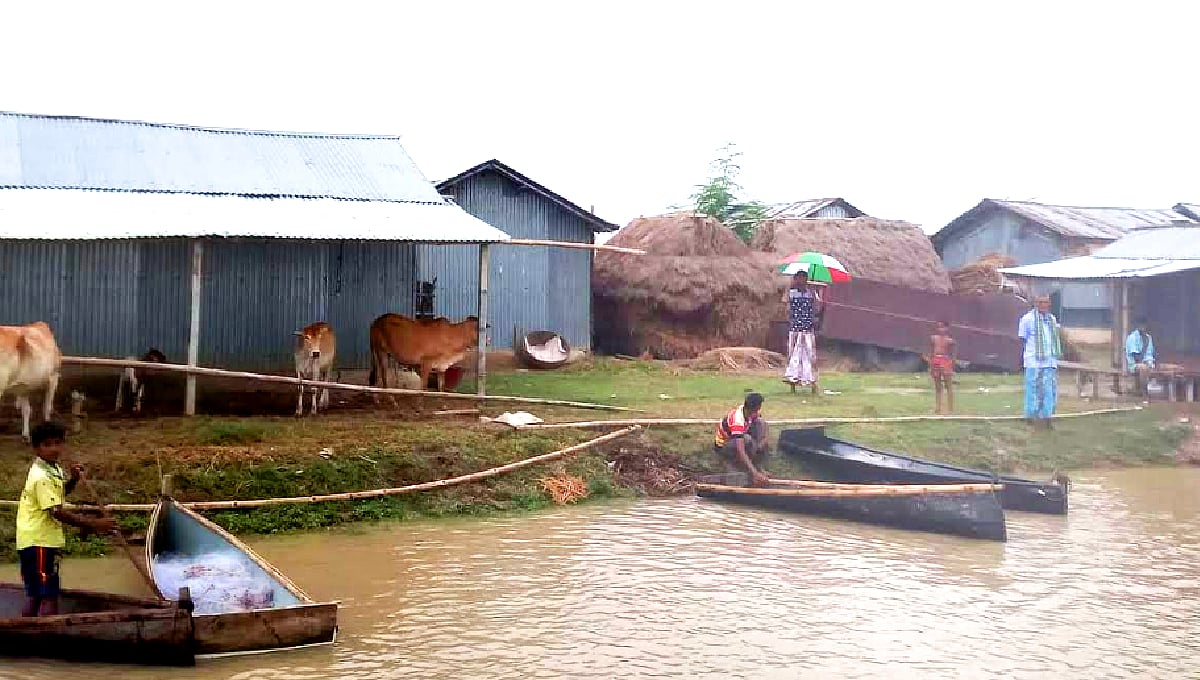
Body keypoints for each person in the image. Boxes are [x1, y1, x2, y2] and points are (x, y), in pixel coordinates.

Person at [16, 420, 115, 617]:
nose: (54, 449)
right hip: (38, 542)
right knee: (48, 594)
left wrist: (73, 480)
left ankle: (28, 632)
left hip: (38, 541)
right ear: (36, 448)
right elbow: (57, 511)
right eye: (47, 444)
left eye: (57, 443)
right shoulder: (41, 476)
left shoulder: (53, 469)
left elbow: (58, 495)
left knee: (37, 593)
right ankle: (47, 636)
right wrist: (95, 524)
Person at [1017, 295, 1062, 429]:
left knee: (1048, 389)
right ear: (1035, 303)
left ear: (1049, 304)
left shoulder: (1051, 319)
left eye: (1046, 302)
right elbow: (1022, 339)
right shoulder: (1027, 319)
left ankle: (1046, 417)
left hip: (1049, 360)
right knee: (1033, 389)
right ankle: (1031, 416)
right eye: (1040, 302)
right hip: (1033, 361)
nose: (1043, 305)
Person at [714, 393, 771, 486]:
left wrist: (761, 443)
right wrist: (755, 473)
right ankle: (740, 467)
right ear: (756, 407)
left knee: (760, 423)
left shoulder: (748, 411)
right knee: (747, 439)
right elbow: (740, 450)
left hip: (739, 438)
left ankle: (758, 467)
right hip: (724, 446)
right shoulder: (737, 420)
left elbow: (763, 424)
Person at [781, 270, 823, 390]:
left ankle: (810, 379)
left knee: (809, 355)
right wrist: (788, 288)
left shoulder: (811, 293)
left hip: (808, 329)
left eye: (803, 278)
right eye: (798, 278)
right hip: (795, 328)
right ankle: (793, 378)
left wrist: (814, 292)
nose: (801, 281)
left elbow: (818, 308)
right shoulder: (792, 293)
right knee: (794, 354)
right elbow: (785, 303)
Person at [929, 320, 957, 414]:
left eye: (943, 327)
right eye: (939, 327)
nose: (941, 329)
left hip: (945, 361)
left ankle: (950, 408)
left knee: (948, 385)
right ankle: (937, 407)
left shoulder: (950, 341)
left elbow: (953, 354)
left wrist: (951, 364)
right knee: (937, 386)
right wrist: (931, 363)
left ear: (947, 328)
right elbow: (930, 351)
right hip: (935, 361)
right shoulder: (933, 338)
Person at [1125, 319, 1156, 395]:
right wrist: (1144, 363)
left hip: (1146, 362)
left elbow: (1150, 353)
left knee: (1151, 367)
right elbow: (1136, 356)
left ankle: (1150, 388)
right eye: (1141, 326)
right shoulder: (1132, 337)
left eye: (1144, 326)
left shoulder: (1148, 338)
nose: (1143, 327)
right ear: (1138, 326)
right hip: (1134, 364)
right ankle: (1144, 391)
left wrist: (1150, 362)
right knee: (1143, 368)